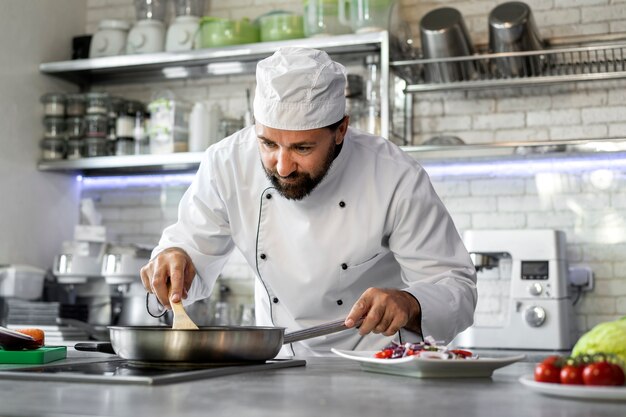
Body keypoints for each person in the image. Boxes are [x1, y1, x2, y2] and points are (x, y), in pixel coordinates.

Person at [141, 47, 477, 356]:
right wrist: (174, 261)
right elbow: (187, 256)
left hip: (377, 363)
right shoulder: (227, 164)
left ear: (341, 130)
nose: (283, 167)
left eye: (302, 148)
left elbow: (455, 288)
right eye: (268, 144)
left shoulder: (394, 175)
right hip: (279, 361)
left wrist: (410, 301)